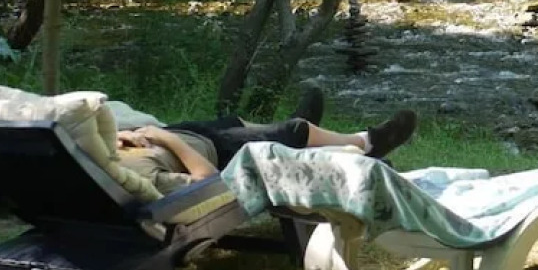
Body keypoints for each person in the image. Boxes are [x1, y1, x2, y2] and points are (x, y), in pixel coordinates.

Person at [116, 98, 417, 192]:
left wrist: (124, 137)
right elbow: (207, 183)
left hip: (183, 134)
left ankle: (299, 133)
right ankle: (368, 143)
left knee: (238, 120)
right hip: (211, 150)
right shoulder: (140, 176)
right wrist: (164, 138)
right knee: (295, 130)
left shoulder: (97, 155)